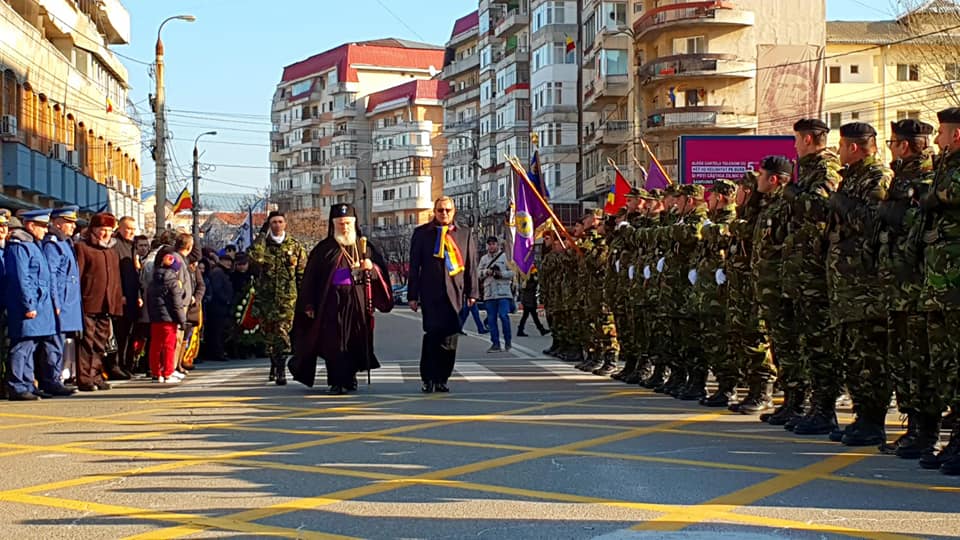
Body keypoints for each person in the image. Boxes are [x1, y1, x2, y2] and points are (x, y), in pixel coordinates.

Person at [290, 204, 393, 393]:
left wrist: (371, 267)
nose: (344, 227)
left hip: (358, 302)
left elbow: (380, 274)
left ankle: (350, 377)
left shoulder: (365, 247)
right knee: (334, 343)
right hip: (331, 304)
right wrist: (309, 304)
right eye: (340, 223)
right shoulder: (324, 249)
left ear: (353, 224)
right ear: (333, 224)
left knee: (355, 340)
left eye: (347, 223)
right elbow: (310, 279)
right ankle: (336, 381)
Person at [408, 196, 478, 393]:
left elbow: (471, 265)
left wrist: (473, 292)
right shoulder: (422, 233)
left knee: (450, 337)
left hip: (455, 293)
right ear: (434, 212)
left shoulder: (464, 234)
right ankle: (428, 378)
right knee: (432, 335)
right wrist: (412, 295)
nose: (444, 213)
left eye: (447, 210)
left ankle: (442, 378)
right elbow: (414, 266)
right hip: (430, 293)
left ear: (453, 211)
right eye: (440, 210)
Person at [3, 210, 73, 400]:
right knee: (22, 346)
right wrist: (28, 305)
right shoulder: (20, 247)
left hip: (39, 304)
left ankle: (27, 384)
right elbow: (21, 278)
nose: (45, 230)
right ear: (31, 226)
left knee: (31, 345)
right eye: (42, 226)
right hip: (27, 305)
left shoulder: (34, 245)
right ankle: (17, 386)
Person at [248, 211, 307, 385]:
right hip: (266, 300)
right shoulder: (263, 245)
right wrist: (261, 234)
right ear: (269, 225)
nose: (277, 225)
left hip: (287, 299)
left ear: (285, 224)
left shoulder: (295, 246)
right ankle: (274, 363)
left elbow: (302, 273)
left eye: (280, 221)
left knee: (282, 334)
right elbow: (254, 257)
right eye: (273, 222)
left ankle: (281, 369)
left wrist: (305, 298)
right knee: (269, 336)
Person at [74, 212, 124, 392]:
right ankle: (84, 377)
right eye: (102, 230)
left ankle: (96, 374)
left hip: (106, 305)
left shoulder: (111, 251)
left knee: (100, 343)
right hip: (88, 303)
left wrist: (117, 303)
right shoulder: (83, 248)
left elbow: (116, 280)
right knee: (87, 342)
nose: (106, 234)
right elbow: (77, 277)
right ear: (93, 230)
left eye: (109, 230)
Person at [41, 206, 83, 395]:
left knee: (59, 343)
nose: (73, 226)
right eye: (69, 222)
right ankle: (52, 380)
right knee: (54, 344)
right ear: (58, 223)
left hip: (68, 301)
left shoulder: (65, 242)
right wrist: (56, 303)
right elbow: (52, 275)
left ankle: (55, 378)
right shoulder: (53, 243)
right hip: (61, 301)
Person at [147, 246, 188, 383]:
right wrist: (182, 320)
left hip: (156, 317)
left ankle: (156, 372)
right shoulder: (173, 282)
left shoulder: (154, 280)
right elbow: (177, 303)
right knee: (169, 345)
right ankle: (168, 372)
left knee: (156, 345)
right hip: (169, 318)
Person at [109, 216, 141, 380]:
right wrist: (119, 294)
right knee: (119, 334)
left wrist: (139, 296)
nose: (131, 232)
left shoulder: (132, 246)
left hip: (132, 296)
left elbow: (135, 274)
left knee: (129, 334)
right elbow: (114, 273)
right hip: (121, 298)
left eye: (133, 230)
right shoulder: (115, 245)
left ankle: (126, 364)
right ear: (120, 228)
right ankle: (115, 365)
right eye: (128, 229)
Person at [478, 236, 514, 352]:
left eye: (493, 244)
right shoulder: (484, 259)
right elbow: (477, 273)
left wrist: (501, 274)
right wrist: (486, 272)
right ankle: (495, 344)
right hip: (489, 294)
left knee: (503, 316)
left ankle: (508, 341)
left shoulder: (505, 257)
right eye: (489, 244)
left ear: (497, 245)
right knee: (491, 319)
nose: (491, 246)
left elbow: (513, 272)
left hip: (503, 293)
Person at [203, 253, 234, 362]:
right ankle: (217, 353)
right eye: (227, 261)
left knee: (219, 331)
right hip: (217, 307)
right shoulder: (217, 272)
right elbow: (217, 289)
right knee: (216, 331)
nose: (229, 264)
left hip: (221, 307)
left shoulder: (222, 272)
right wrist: (226, 300)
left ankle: (218, 352)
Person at [517, 268, 548, 337]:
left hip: (528, 300)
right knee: (531, 316)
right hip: (529, 300)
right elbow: (530, 287)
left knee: (529, 316)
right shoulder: (528, 279)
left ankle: (541, 329)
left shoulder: (526, 278)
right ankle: (541, 329)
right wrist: (536, 281)